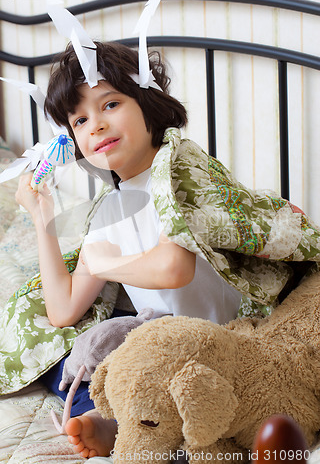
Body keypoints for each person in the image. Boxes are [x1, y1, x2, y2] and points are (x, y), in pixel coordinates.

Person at [15, 40, 320, 458]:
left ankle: (142, 425)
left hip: (234, 340)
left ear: (148, 105)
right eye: (80, 119)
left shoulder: (181, 171)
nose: (96, 126)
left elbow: (174, 268)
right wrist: (42, 218)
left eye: (110, 105)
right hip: (170, 348)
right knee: (70, 361)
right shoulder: (109, 210)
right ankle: (122, 423)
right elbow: (63, 308)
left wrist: (105, 263)